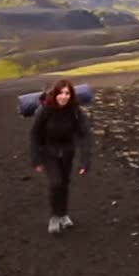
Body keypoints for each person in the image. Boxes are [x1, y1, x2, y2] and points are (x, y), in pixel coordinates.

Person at [29, 78, 94, 234]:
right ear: (55, 94)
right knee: (55, 183)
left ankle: (63, 214)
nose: (63, 96)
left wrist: (85, 161)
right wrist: (36, 158)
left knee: (64, 184)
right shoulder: (46, 111)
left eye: (67, 93)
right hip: (48, 152)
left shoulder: (75, 112)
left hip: (67, 153)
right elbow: (34, 134)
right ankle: (54, 217)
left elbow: (85, 135)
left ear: (71, 95)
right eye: (60, 93)